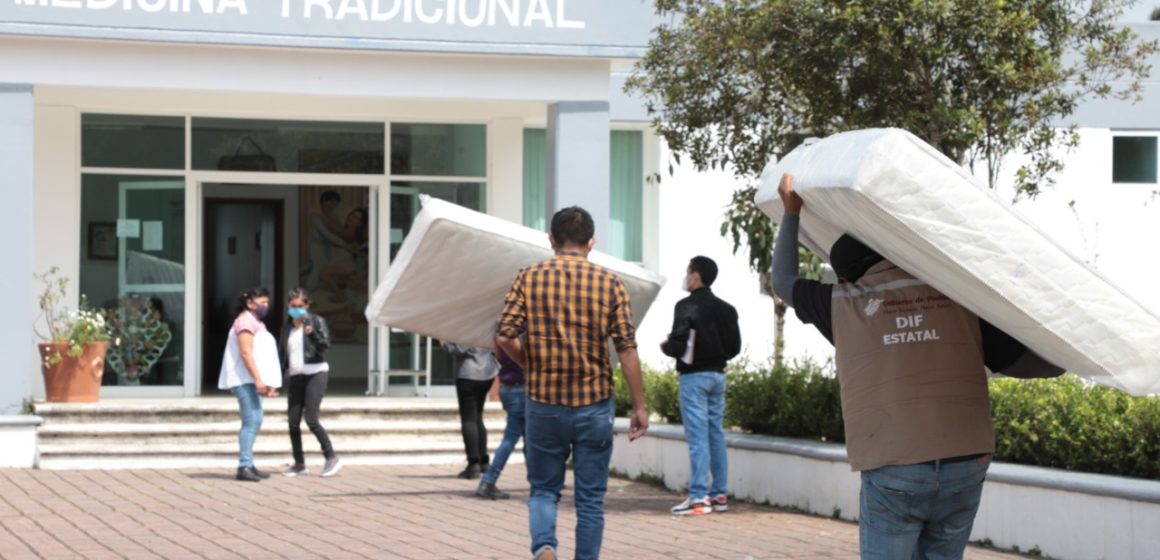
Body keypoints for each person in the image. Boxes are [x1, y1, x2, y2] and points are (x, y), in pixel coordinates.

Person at [771, 173, 1063, 559]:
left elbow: (783, 280)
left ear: (850, 270)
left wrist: (791, 212)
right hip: (967, 459)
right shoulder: (960, 296)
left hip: (895, 466)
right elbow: (1031, 360)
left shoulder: (843, 303)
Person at [496, 206, 650, 560]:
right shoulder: (611, 283)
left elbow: (505, 335)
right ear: (591, 243)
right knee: (591, 499)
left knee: (544, 490)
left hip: (544, 404)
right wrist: (639, 406)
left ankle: (545, 547)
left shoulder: (528, 277)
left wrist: (529, 363)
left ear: (551, 240)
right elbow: (626, 348)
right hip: (594, 405)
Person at [660, 256, 741, 516]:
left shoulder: (686, 306)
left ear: (696, 275)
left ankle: (697, 497)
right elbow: (734, 348)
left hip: (693, 378)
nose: (686, 276)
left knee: (697, 438)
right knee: (715, 434)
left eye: (688, 271)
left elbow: (678, 343)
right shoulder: (727, 309)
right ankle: (719, 494)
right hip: (718, 375)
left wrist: (666, 346)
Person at [218, 287, 282, 482]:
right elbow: (246, 353)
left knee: (254, 420)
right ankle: (244, 465)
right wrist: (258, 380)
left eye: (267, 303)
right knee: (252, 421)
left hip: (250, 380)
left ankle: (249, 463)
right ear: (250, 303)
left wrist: (265, 382)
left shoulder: (255, 322)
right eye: (262, 302)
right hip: (244, 380)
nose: (266, 306)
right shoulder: (245, 322)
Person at [278, 288, 341, 478]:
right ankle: (299, 464)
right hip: (296, 376)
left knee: (311, 419)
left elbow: (325, 346)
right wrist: (275, 381)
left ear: (307, 305)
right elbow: (282, 355)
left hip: (316, 374)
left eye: (300, 306)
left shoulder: (316, 321)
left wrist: (312, 333)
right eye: (293, 306)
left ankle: (331, 457)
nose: (296, 309)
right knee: (293, 422)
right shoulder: (287, 327)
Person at [475, 329, 528, 500]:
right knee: (512, 437)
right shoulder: (527, 324)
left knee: (530, 437)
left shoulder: (503, 323)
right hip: (522, 388)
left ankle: (539, 480)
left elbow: (498, 354)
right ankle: (488, 480)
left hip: (507, 386)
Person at [441, 341, 500, 480]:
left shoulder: (468, 325)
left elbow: (460, 348)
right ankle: (483, 461)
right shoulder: (484, 322)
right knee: (477, 417)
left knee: (469, 419)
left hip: (469, 373)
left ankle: (473, 464)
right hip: (487, 372)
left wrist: (444, 343)